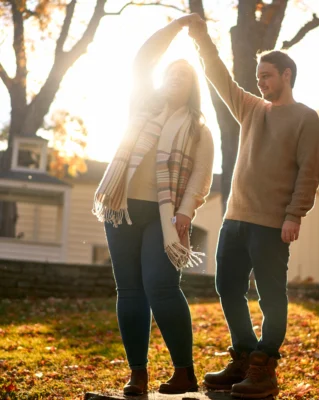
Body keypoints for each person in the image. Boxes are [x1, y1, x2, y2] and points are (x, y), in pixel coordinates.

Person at [186, 14, 319, 398]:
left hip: (272, 224)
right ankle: (245, 356)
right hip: (235, 219)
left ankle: (266, 366)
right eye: (259, 76)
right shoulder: (250, 108)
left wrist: (294, 214)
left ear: (287, 75)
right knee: (226, 286)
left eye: (267, 76)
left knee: (270, 296)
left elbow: (309, 172)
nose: (260, 82)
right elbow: (218, 75)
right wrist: (201, 38)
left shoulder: (306, 118)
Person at [92, 16, 214, 396]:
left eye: (185, 76)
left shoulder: (199, 128)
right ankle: (138, 374)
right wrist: (175, 28)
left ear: (193, 88)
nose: (176, 79)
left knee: (160, 286)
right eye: (171, 74)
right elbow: (142, 61)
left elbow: (200, 179)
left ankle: (184, 372)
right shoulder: (141, 109)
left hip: (164, 218)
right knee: (129, 290)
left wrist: (184, 214)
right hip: (122, 208)